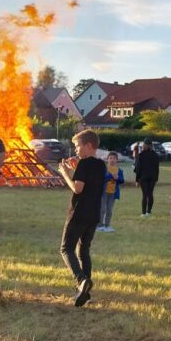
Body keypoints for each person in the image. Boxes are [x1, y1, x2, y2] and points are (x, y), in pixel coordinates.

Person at [56, 129, 106, 307]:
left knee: (66, 249)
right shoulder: (101, 165)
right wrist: (75, 169)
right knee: (84, 251)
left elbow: (78, 188)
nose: (76, 150)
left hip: (78, 213)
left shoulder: (84, 164)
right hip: (93, 214)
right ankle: (85, 294)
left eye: (77, 146)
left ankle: (81, 280)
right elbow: (89, 180)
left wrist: (65, 174)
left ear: (88, 145)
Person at [99, 152, 124, 232]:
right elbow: (101, 179)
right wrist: (110, 176)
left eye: (114, 158)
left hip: (113, 193)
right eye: (110, 158)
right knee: (102, 209)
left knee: (109, 210)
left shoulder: (119, 170)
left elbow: (122, 180)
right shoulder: (104, 169)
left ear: (117, 160)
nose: (112, 160)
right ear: (107, 160)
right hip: (104, 192)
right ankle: (99, 225)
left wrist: (117, 178)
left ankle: (107, 225)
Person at [134, 140, 160, 217]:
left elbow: (138, 168)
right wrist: (156, 178)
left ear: (144, 145)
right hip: (152, 177)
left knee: (144, 195)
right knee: (150, 194)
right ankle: (149, 212)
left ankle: (143, 213)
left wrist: (137, 180)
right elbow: (157, 168)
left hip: (143, 177)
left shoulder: (141, 155)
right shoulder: (155, 155)